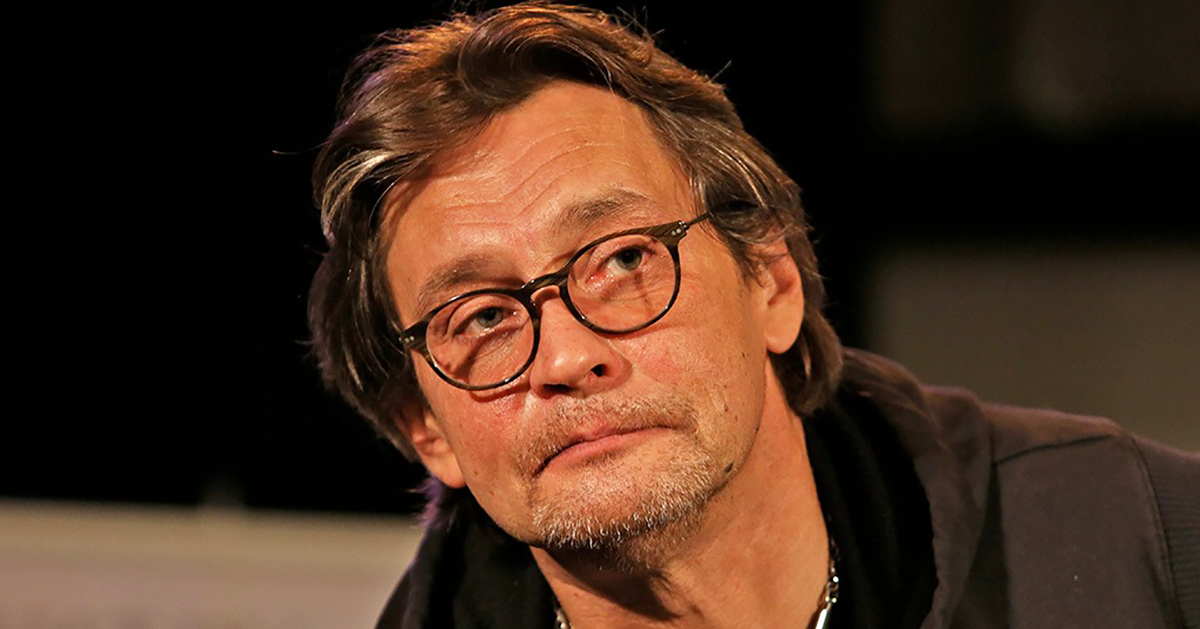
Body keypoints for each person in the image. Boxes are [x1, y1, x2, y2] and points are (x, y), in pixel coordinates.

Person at [307, 4, 1199, 628]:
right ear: (426, 427)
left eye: (624, 260)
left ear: (771, 282)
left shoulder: (1140, 534)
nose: (567, 355)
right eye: (480, 317)